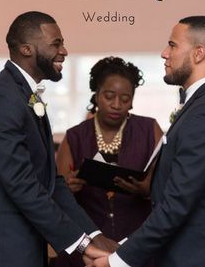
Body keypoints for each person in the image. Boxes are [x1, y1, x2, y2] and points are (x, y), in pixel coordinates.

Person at [88, 16, 205, 267]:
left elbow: (177, 203)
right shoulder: (202, 105)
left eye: (172, 45)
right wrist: (125, 246)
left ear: (198, 53)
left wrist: (117, 261)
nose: (164, 53)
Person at [0, 11, 116, 267]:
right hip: (5, 246)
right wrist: (82, 244)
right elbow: (21, 183)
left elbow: (51, 181)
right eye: (56, 43)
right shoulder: (1, 97)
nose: (65, 50)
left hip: (27, 243)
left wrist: (94, 235)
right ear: (27, 49)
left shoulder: (25, 94)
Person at [55, 56, 163, 267]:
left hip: (136, 241)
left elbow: (167, 187)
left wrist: (147, 190)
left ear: (132, 100)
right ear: (96, 95)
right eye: (109, 96)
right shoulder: (75, 136)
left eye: (125, 98)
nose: (117, 105)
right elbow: (58, 193)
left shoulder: (150, 130)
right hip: (88, 243)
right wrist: (70, 187)